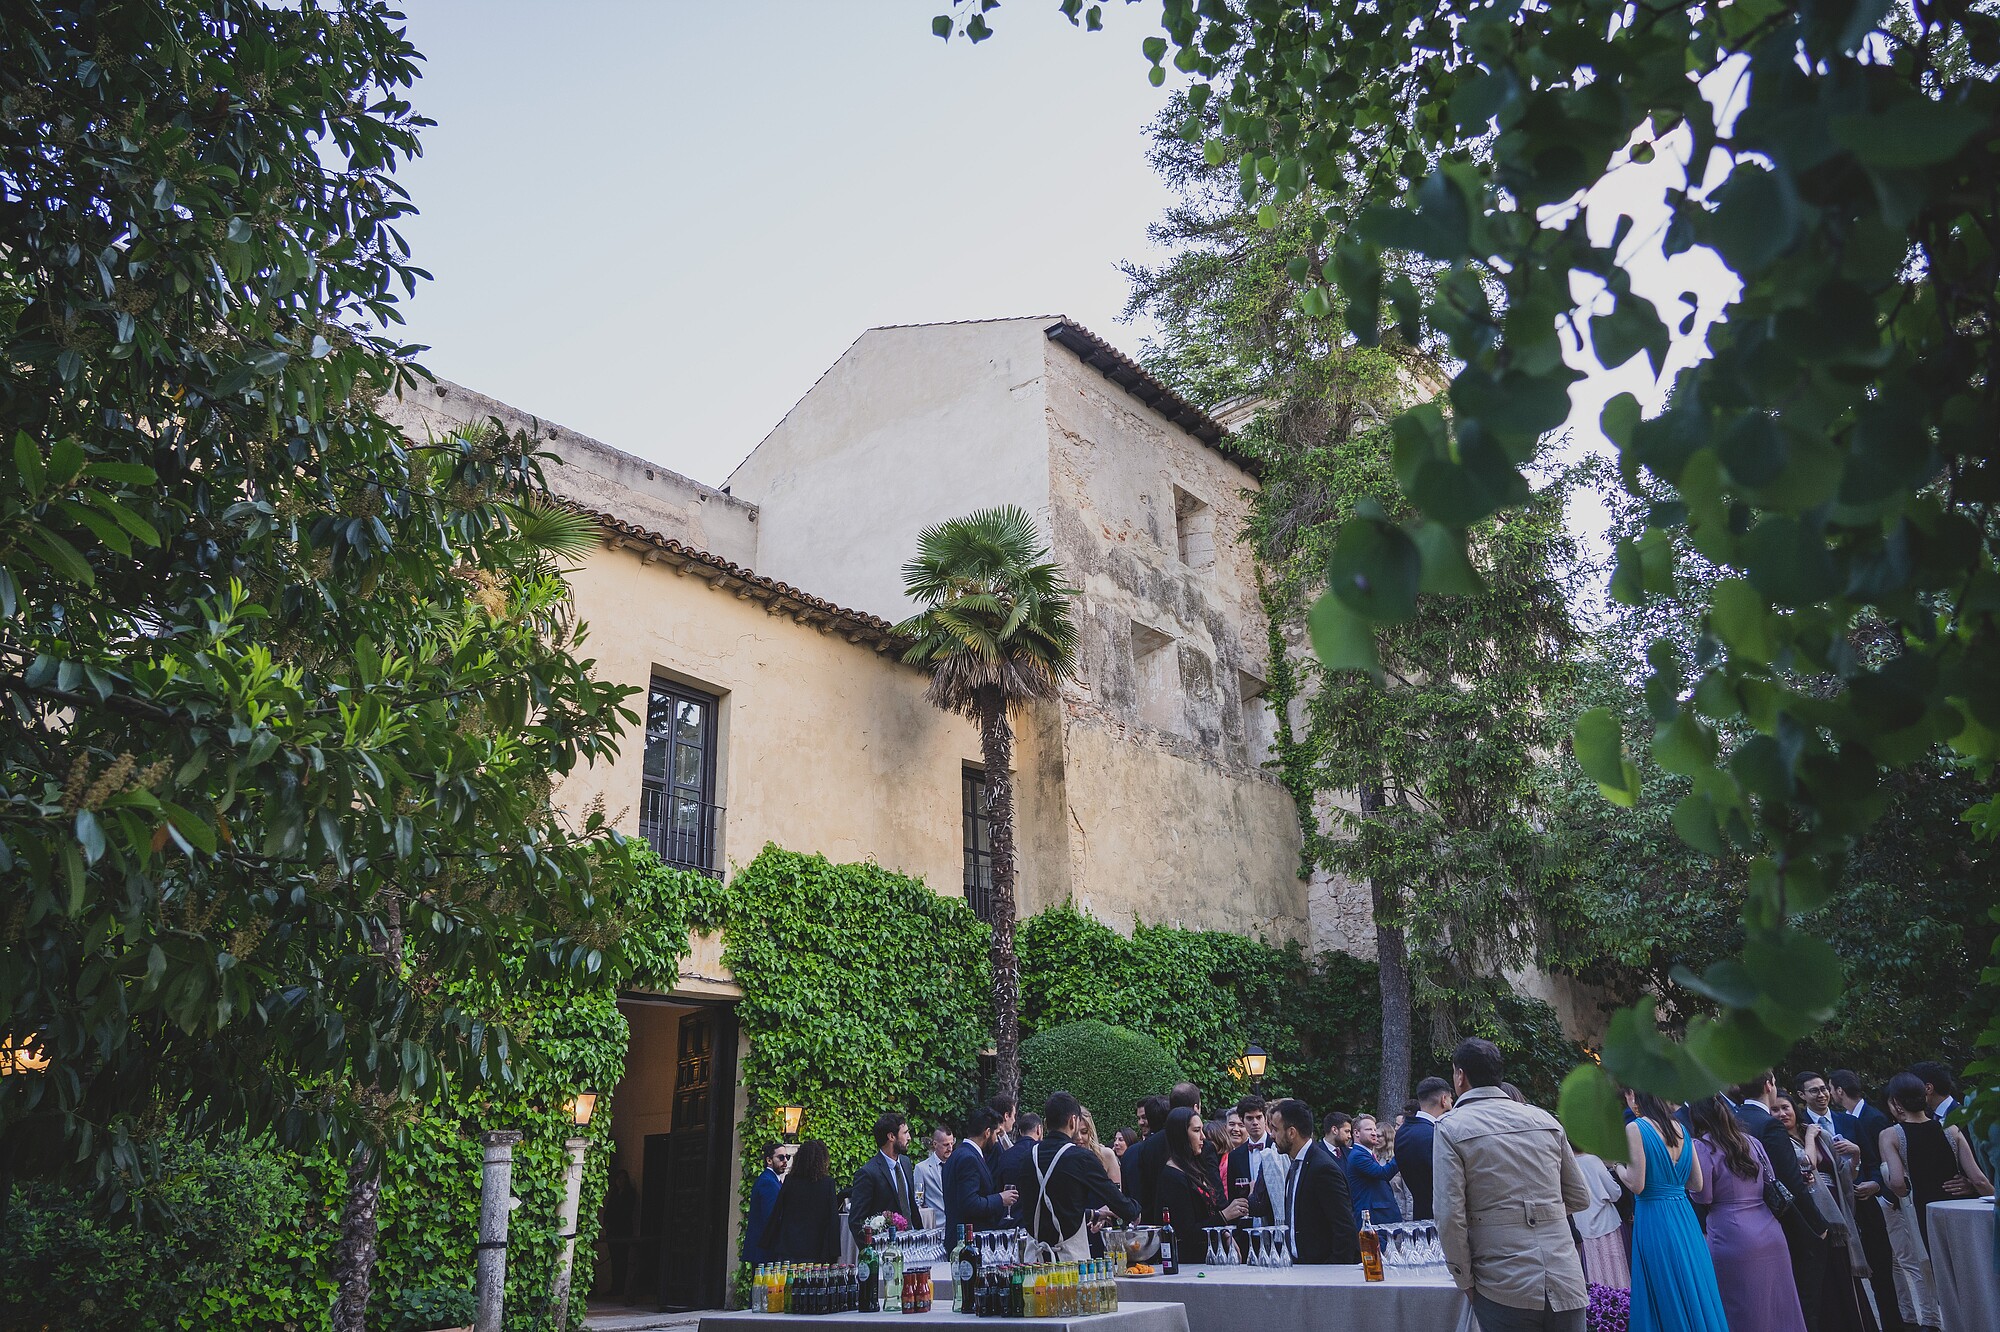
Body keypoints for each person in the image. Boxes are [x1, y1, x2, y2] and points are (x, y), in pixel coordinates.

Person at [1433, 1038, 1594, 1331]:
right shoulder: (1544, 1119)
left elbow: (1449, 1217)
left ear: (1460, 1076)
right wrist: (1541, 1213)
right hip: (1564, 1275)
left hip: (1502, 1280)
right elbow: (1580, 1197)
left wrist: (1464, 1279)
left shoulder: (1451, 1127)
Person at [1688, 1094, 1807, 1332]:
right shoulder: (1752, 1142)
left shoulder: (1701, 1147)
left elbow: (1704, 1196)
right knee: (1780, 1305)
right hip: (1770, 1230)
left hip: (1730, 1234)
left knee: (1742, 1308)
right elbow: (1769, 1180)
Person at [1613, 1089, 1728, 1332]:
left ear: (1634, 1096)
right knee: (1692, 1282)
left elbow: (1637, 1184)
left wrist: (1618, 1166)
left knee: (1663, 1287)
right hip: (1684, 1217)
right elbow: (1696, 1184)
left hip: (1654, 1217)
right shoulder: (1681, 1129)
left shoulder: (1636, 1128)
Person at [1733, 1070, 1833, 1330]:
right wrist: (1818, 1225)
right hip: (1787, 1223)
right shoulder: (1768, 1124)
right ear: (1769, 1085)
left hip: (1745, 1220)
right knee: (1806, 1299)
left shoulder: (1733, 1118)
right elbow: (1791, 1182)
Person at [1778, 1091, 1870, 1332]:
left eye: (1785, 1108)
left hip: (1837, 1210)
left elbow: (1844, 1174)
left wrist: (1856, 1157)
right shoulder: (1780, 1141)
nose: (1781, 1114)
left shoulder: (1822, 1135)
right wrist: (1809, 1137)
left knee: (1845, 1274)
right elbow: (1805, 1164)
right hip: (1813, 1215)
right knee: (1826, 1278)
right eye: (1774, 1110)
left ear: (1794, 1108)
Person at [1018, 1091, 1140, 1260]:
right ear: (1073, 1121)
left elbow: (1053, 1208)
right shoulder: (1080, 1158)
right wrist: (1134, 1210)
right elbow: (1117, 1201)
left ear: (1045, 1124)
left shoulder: (1027, 1157)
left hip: (1034, 1262)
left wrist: (1094, 1214)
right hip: (1070, 1262)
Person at [1830, 1068, 1904, 1331]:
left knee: (1891, 1268)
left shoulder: (1868, 1118)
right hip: (1838, 1211)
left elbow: (1882, 1160)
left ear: (1837, 1091)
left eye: (1825, 1088)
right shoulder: (1812, 1124)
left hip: (1878, 1203)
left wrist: (1880, 1189)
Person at [1881, 1070, 1991, 1246]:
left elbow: (1898, 1184)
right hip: (1960, 1206)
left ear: (1896, 1103)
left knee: (1941, 1266)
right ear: (1925, 1096)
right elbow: (1979, 1180)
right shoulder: (1951, 1129)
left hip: (1928, 1210)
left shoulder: (1890, 1135)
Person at [1266, 1097, 1358, 1264]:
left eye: (1275, 1129)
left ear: (1291, 1132)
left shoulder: (1322, 1169)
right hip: (1299, 1267)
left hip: (1321, 1275)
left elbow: (1345, 1228)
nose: (1271, 1136)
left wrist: (1329, 1271)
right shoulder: (1296, 1164)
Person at [1157, 1104, 1244, 1263]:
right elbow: (1187, 1232)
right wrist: (1225, 1216)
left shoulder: (1194, 1166)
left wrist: (1225, 1234)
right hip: (1191, 1263)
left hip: (1211, 1256)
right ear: (1181, 1135)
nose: (1203, 1136)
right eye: (1196, 1131)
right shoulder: (1172, 1177)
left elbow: (1207, 1212)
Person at [944, 1105, 1020, 1240]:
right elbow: (969, 1203)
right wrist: (1000, 1199)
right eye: (996, 1134)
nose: (997, 1140)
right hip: (969, 1241)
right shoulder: (969, 1159)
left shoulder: (957, 1154)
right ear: (987, 1132)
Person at [1131, 1083, 1199, 1222]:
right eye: (1197, 1130)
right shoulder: (1191, 1147)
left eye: (1143, 1117)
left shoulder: (1141, 1149)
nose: (1202, 1137)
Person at [848, 1112, 919, 1242]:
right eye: (905, 1133)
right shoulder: (868, 1173)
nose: (909, 1137)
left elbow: (911, 1206)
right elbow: (856, 1221)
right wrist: (872, 1251)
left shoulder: (906, 1163)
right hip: (886, 1249)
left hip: (912, 1244)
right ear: (891, 1136)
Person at [766, 1139, 841, 1263]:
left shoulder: (790, 1181)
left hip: (789, 1245)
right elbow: (832, 1219)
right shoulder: (827, 1183)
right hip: (816, 1247)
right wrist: (833, 1253)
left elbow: (777, 1212)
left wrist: (769, 1240)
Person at [1568, 1144, 1629, 1290]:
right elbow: (1615, 1193)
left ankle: (1600, 1308)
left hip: (1581, 1226)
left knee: (1595, 1273)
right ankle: (1624, 1306)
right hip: (1607, 1224)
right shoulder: (1593, 1160)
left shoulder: (1567, 1165)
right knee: (1617, 1271)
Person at [1397, 1076, 1452, 1222]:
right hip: (1441, 1216)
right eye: (1451, 1099)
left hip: (1419, 1212)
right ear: (1444, 1099)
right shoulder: (1435, 1134)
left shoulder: (1402, 1132)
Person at [1345, 1113, 1401, 1227]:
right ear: (1356, 1133)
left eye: (1375, 1129)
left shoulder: (1366, 1154)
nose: (1374, 1133)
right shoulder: (1358, 1156)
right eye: (1369, 1129)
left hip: (1379, 1217)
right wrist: (1402, 1152)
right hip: (1372, 1219)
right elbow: (1383, 1173)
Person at [996, 1112, 1045, 1220]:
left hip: (1010, 1220)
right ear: (1039, 1129)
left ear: (1020, 1131)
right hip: (1038, 1221)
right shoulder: (1045, 1153)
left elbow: (998, 1189)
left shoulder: (1005, 1156)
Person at [744, 1141, 786, 1266]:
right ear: (769, 1160)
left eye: (787, 1157)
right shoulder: (768, 1182)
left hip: (765, 1248)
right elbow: (772, 1217)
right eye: (781, 1157)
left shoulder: (772, 1180)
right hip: (765, 1250)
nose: (785, 1161)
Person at [913, 1125, 954, 1222]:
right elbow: (918, 1200)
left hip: (956, 1226)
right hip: (934, 1228)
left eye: (952, 1144)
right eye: (945, 1145)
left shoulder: (958, 1166)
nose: (950, 1148)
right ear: (935, 1144)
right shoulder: (921, 1168)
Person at [1076, 1106, 1120, 1189]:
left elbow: (1117, 1195)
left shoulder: (1106, 1155)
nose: (1079, 1137)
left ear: (1091, 1132)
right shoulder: (1062, 1158)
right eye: (1074, 1133)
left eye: (1084, 1132)